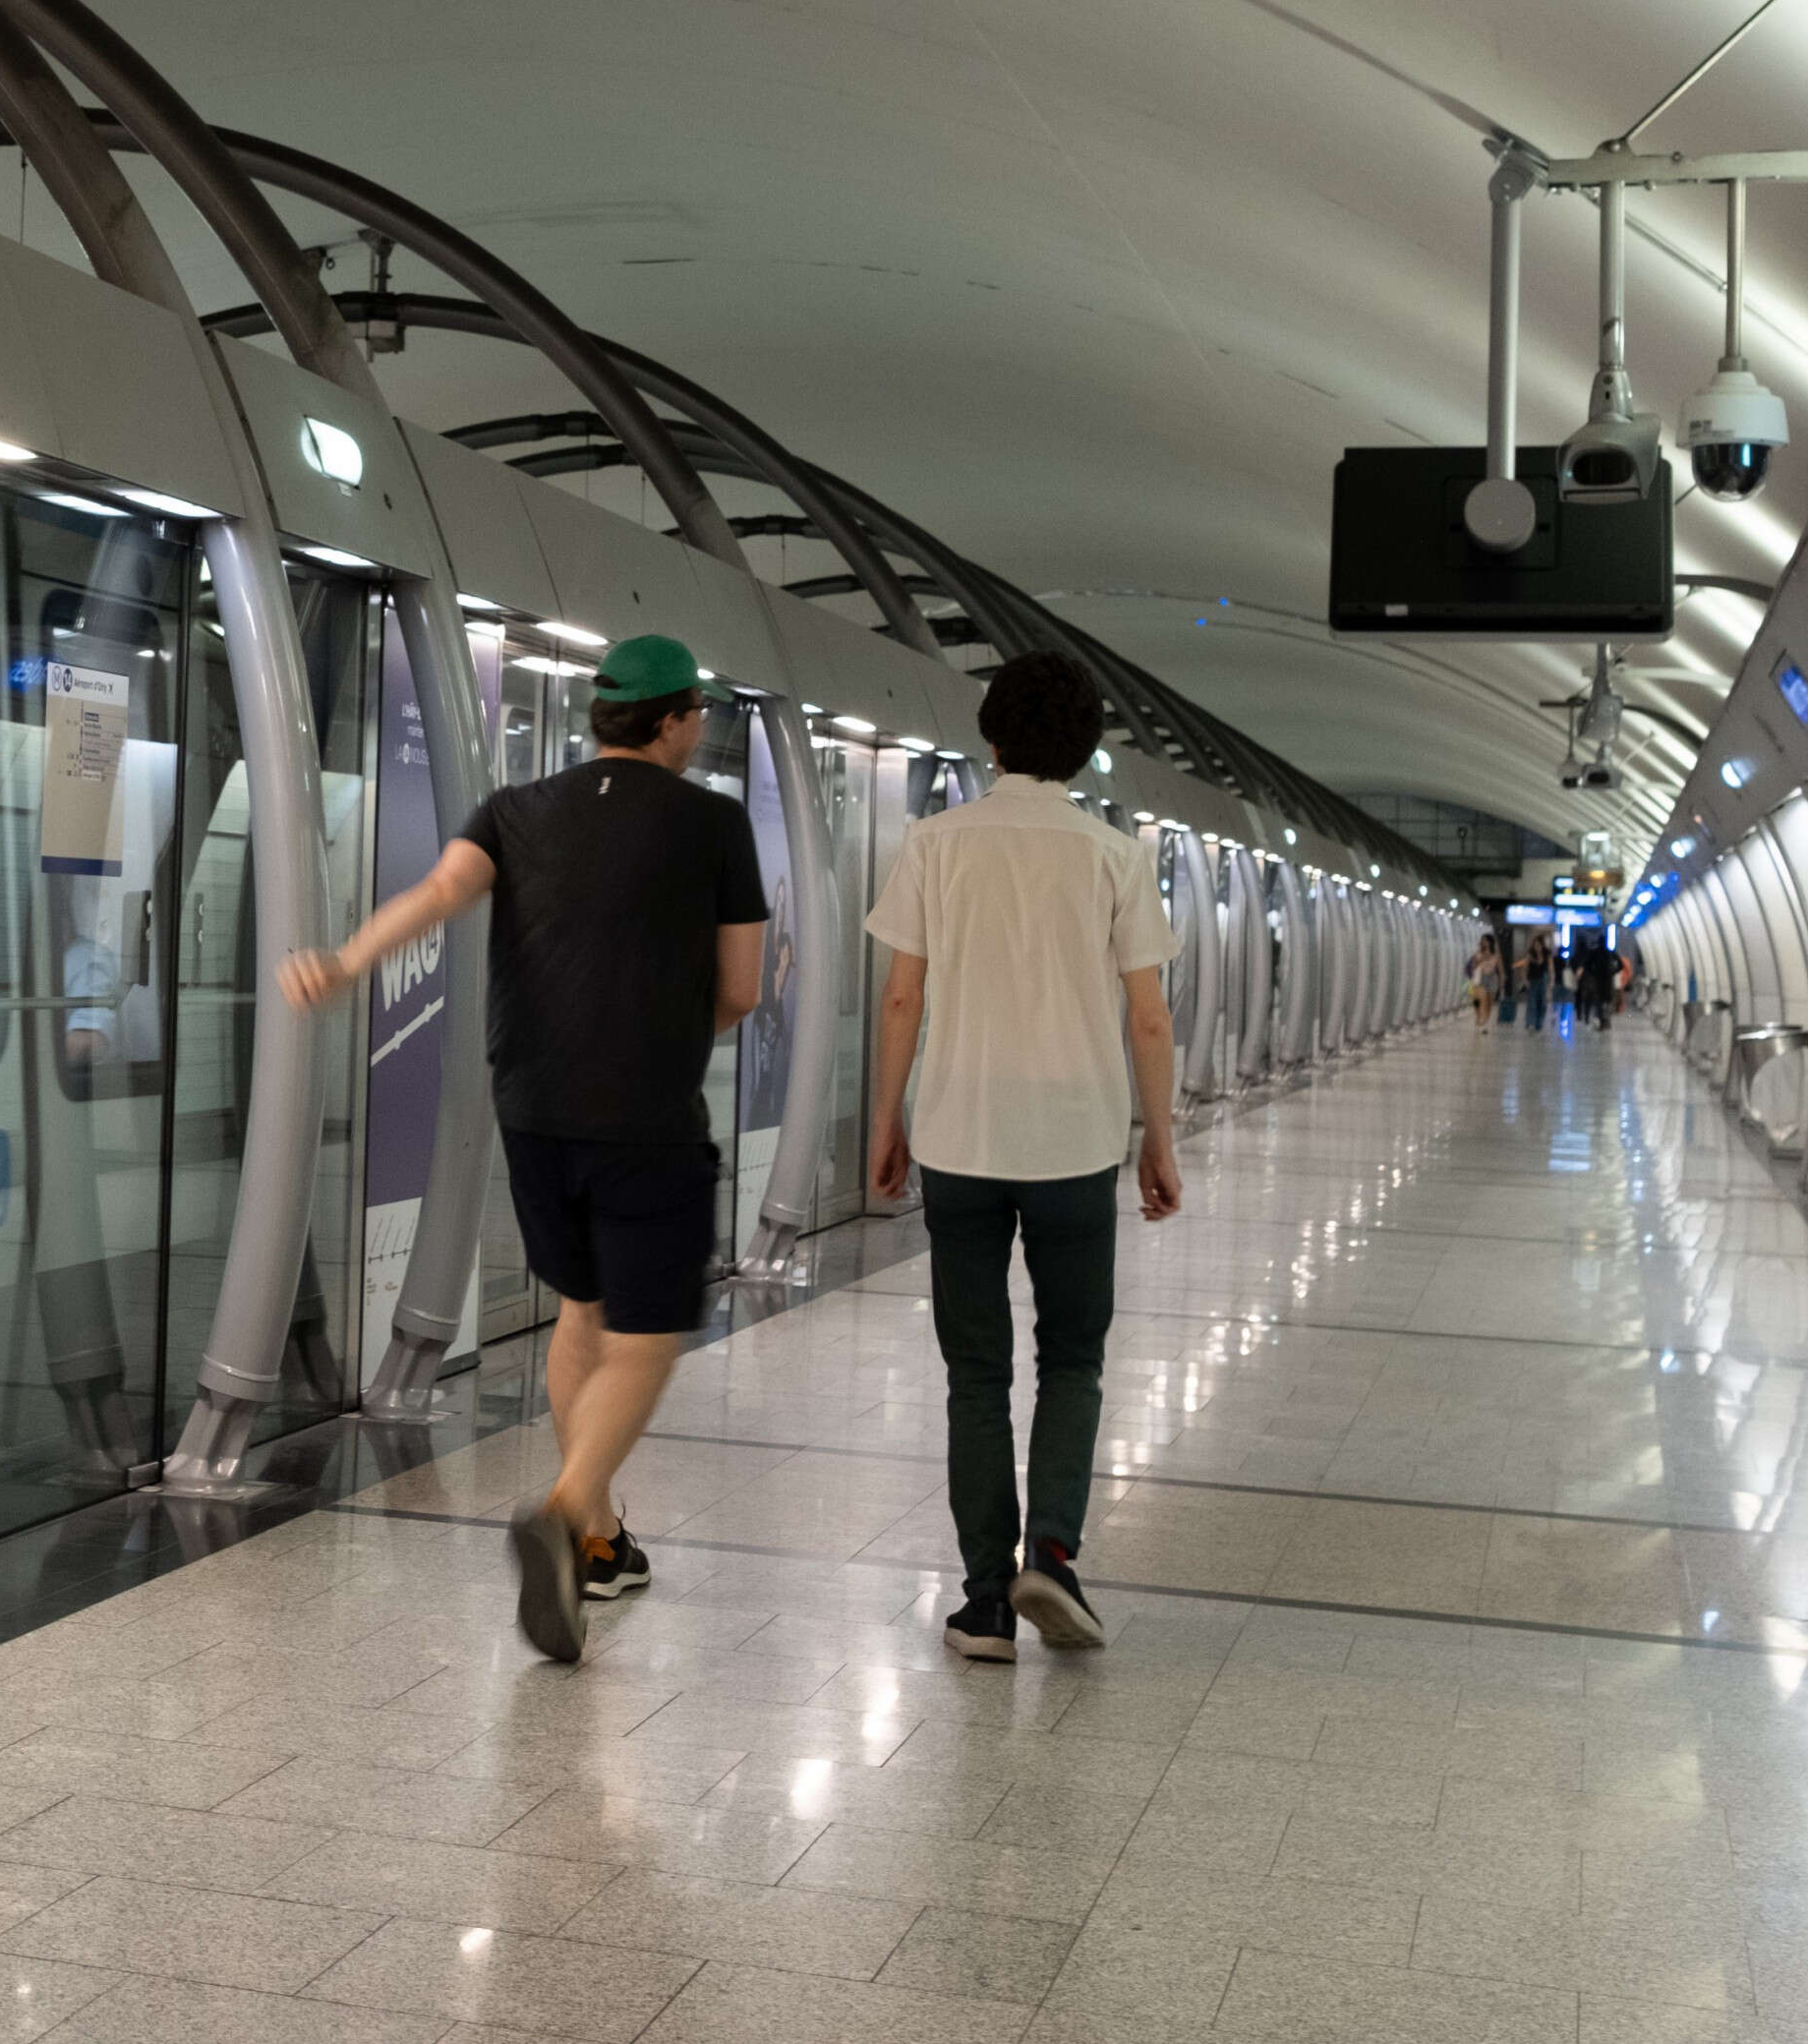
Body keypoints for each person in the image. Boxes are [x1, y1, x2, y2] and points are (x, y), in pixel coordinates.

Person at [281, 632, 768, 1663]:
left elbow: (439, 896)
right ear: (676, 718)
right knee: (646, 1330)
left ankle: (597, 1543)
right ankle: (567, 1504)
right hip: (647, 1114)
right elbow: (739, 991)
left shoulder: (514, 809)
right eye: (698, 716)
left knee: (580, 1311)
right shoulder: (714, 824)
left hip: (534, 1103)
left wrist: (346, 960)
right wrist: (658, 1024)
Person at [863, 652, 1180, 1663]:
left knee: (974, 1374)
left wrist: (886, 1119)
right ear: (1086, 753)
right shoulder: (1112, 856)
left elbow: (903, 996)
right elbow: (1147, 1017)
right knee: (1073, 1358)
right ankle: (1052, 1548)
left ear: (989, 739)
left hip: (960, 1134)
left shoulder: (934, 844)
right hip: (1076, 1142)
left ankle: (985, 1605)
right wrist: (1157, 1139)